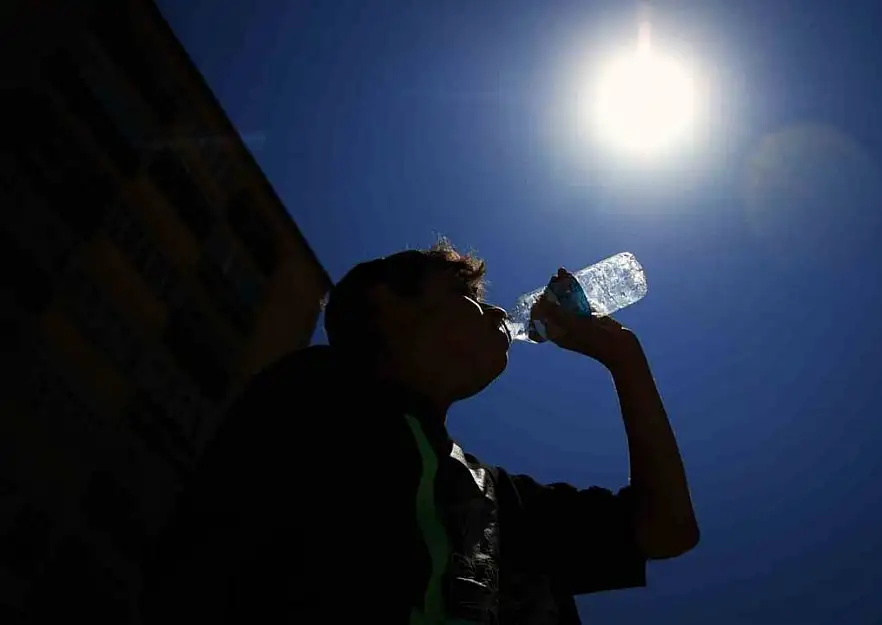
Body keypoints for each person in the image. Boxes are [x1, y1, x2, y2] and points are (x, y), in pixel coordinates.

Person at [140, 239, 698, 624]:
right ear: (389, 306)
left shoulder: (495, 499)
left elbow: (666, 529)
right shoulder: (320, 395)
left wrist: (623, 357)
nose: (497, 310)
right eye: (469, 298)